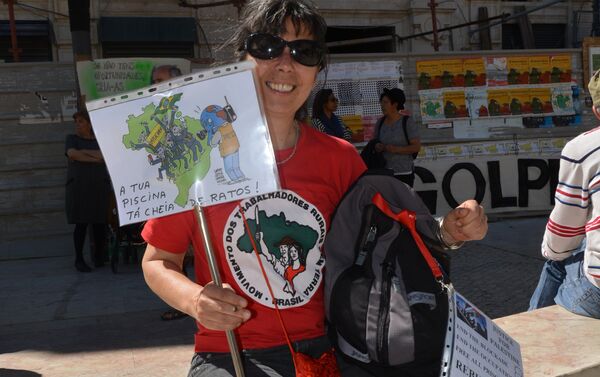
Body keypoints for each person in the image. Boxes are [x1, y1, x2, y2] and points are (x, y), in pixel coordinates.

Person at [141, 1, 487, 376]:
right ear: (242, 58)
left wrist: (448, 232)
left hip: (330, 348)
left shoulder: (339, 159)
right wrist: (196, 300)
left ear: (317, 68)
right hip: (230, 354)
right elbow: (158, 261)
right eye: (267, 47)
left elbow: (393, 239)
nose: (285, 64)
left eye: (304, 52)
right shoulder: (196, 163)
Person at [528, 70, 600, 319]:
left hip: (597, 296)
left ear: (596, 111)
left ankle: (530, 340)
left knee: (557, 261)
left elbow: (562, 234)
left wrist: (552, 252)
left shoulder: (584, 149)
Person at [65, 111, 111, 272]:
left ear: (90, 124)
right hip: (79, 188)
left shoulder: (99, 141)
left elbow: (104, 155)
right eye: (76, 122)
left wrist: (85, 153)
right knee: (81, 224)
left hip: (99, 187)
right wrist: (96, 159)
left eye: (81, 121)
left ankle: (99, 258)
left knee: (100, 224)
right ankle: (79, 259)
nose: (78, 124)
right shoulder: (72, 139)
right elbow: (72, 154)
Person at [374, 87, 421, 187]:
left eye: (385, 102)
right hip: (384, 172)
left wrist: (396, 149)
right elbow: (374, 142)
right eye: (381, 102)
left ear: (395, 104)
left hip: (404, 172)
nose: (382, 106)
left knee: (403, 201)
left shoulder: (407, 122)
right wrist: (377, 146)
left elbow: (416, 147)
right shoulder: (380, 123)